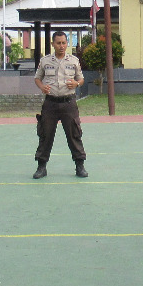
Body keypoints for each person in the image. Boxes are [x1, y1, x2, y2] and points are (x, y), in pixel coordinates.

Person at [33, 31, 87, 179]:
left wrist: (76, 83)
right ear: (53, 44)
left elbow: (81, 79)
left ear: (66, 44)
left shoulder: (74, 61)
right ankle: (41, 167)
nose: (61, 46)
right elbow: (37, 78)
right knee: (45, 134)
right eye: (58, 43)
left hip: (68, 103)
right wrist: (41, 86)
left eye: (64, 43)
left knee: (74, 134)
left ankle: (79, 165)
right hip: (50, 103)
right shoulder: (45, 61)